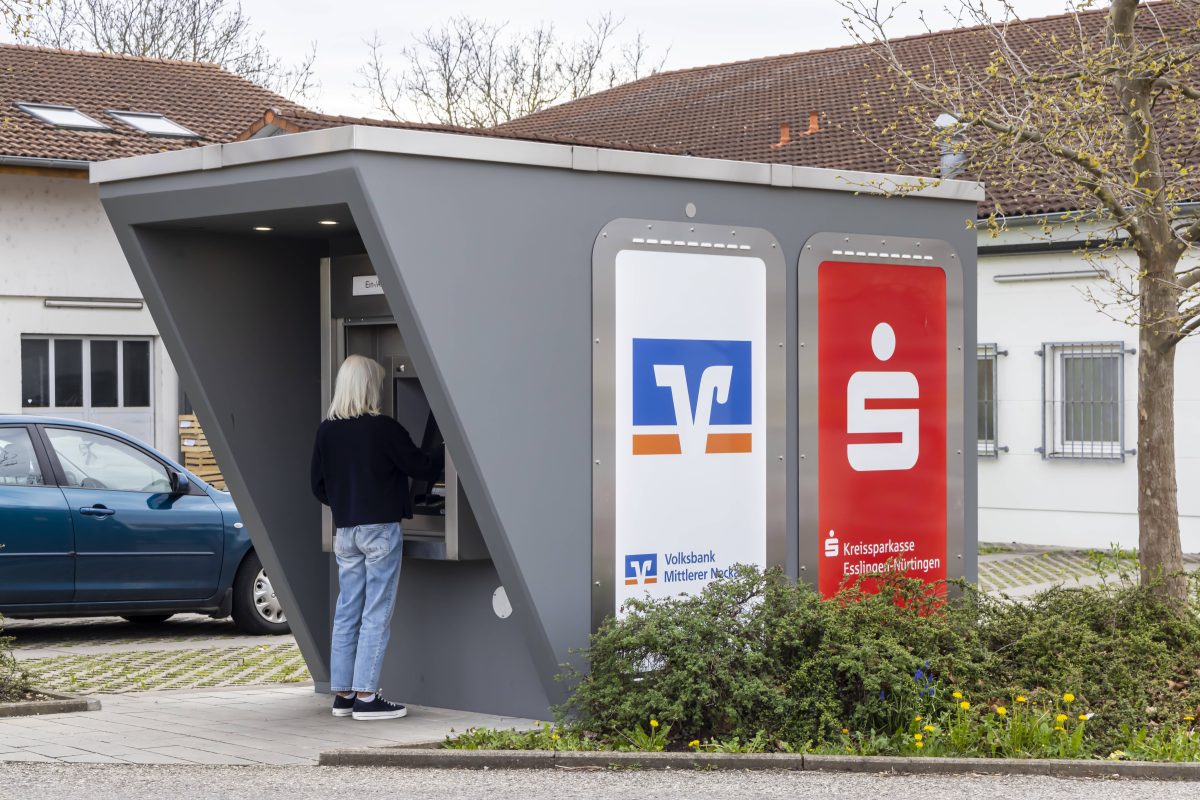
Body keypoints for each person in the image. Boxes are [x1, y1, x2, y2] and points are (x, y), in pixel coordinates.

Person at [311, 354, 442, 721]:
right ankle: (368, 697)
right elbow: (421, 466)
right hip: (380, 530)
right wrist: (448, 444)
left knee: (348, 610)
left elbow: (317, 485)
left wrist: (347, 503)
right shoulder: (383, 428)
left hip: (346, 531)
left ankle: (344, 696)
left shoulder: (327, 430)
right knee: (376, 612)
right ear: (370, 386)